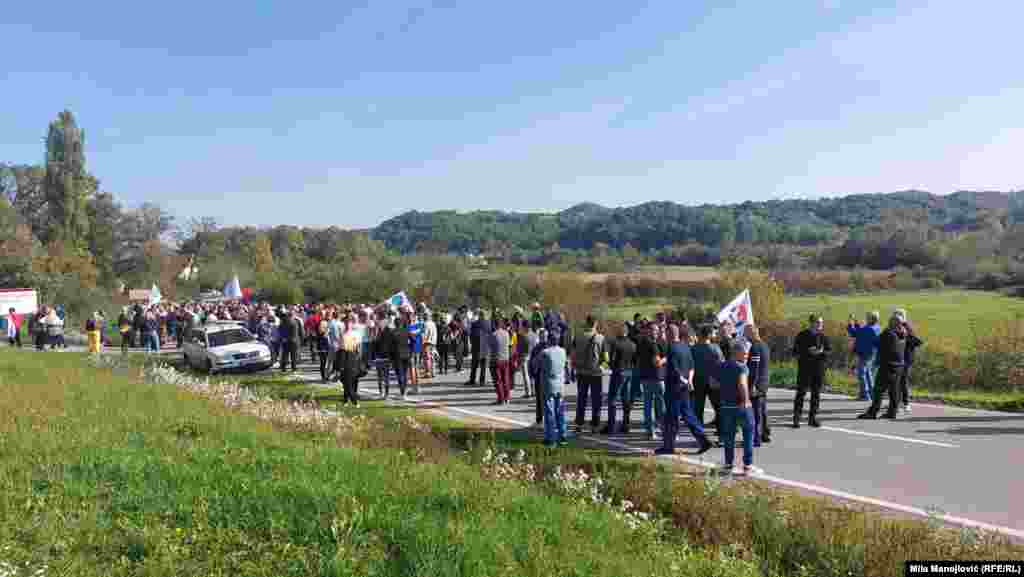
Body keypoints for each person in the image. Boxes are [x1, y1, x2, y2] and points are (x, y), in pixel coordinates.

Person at [657, 324, 712, 455]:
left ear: (670, 334)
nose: (664, 335)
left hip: (674, 387)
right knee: (688, 415)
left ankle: (668, 446)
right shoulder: (685, 347)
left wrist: (684, 380)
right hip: (685, 388)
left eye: (665, 332)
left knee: (671, 417)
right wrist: (690, 381)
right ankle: (703, 439)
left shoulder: (672, 348)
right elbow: (692, 367)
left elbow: (675, 370)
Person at [717, 339, 762, 476]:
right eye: (744, 353)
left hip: (726, 406)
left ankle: (728, 465)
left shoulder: (722, 366)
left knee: (729, 436)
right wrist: (746, 400)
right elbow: (742, 384)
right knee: (749, 433)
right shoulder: (742, 367)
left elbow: (713, 383)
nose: (746, 356)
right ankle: (747, 466)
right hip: (741, 405)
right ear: (736, 352)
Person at [858, 314, 907, 420]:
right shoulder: (903, 334)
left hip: (887, 365)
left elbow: (876, 342)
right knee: (894, 390)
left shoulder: (888, 333)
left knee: (878, 390)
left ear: (892, 323)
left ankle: (873, 412)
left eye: (890, 321)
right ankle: (892, 412)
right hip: (899, 366)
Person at [792, 315, 831, 428]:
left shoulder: (823, 336)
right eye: (818, 322)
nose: (821, 325)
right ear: (812, 323)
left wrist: (822, 352)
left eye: (821, 322)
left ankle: (813, 417)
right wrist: (807, 351)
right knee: (801, 393)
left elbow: (829, 351)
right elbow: (795, 352)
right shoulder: (802, 335)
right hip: (805, 369)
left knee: (816, 394)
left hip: (818, 369)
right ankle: (796, 418)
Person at [572, 315, 608, 434]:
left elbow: (572, 354)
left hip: (581, 372)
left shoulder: (578, 336)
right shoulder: (600, 338)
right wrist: (602, 367)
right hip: (595, 373)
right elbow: (606, 358)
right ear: (596, 323)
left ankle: (578, 424)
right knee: (596, 400)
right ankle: (594, 425)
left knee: (581, 399)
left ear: (586, 323)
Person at [635, 321, 667, 441]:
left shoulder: (641, 342)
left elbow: (637, 358)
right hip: (656, 377)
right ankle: (662, 429)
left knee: (648, 405)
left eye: (657, 330)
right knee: (660, 405)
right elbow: (657, 362)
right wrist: (666, 358)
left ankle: (650, 430)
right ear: (648, 330)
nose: (656, 332)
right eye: (654, 330)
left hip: (645, 377)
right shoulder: (652, 344)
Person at [603, 321, 636, 435]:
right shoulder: (632, 344)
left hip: (619, 372)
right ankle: (626, 425)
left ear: (621, 331)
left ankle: (611, 426)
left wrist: (612, 366)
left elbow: (611, 359)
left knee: (613, 399)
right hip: (629, 372)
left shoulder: (616, 343)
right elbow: (635, 361)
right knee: (625, 400)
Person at [692, 325, 724, 437]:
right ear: (709, 335)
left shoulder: (694, 349)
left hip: (698, 381)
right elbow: (721, 365)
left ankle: (700, 435)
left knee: (698, 409)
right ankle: (721, 434)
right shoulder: (715, 348)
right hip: (713, 382)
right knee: (718, 408)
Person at [540, 332, 569, 448]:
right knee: (560, 411)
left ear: (549, 340)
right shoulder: (563, 351)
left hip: (549, 384)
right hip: (560, 384)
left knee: (549, 412)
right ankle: (562, 435)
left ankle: (550, 438)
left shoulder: (545, 352)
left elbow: (538, 365)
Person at [745, 324, 771, 446]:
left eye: (746, 333)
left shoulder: (755, 347)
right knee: (763, 410)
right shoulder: (765, 345)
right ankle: (765, 433)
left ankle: (756, 438)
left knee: (756, 412)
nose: (745, 336)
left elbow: (754, 369)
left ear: (752, 333)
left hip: (757, 384)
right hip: (764, 382)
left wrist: (751, 386)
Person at [848, 311, 881, 401]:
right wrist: (856, 322)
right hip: (872, 354)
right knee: (868, 374)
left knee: (861, 374)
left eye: (867, 317)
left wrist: (851, 322)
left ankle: (864, 395)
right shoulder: (876, 328)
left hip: (864, 354)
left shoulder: (868, 329)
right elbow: (861, 331)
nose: (866, 318)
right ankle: (872, 394)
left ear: (871, 319)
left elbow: (854, 332)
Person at [895, 310, 923, 414]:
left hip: (906, 358)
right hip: (898, 358)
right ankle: (897, 402)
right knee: (897, 381)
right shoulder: (894, 328)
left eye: (898, 316)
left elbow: (916, 341)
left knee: (902, 381)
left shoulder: (907, 327)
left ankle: (906, 403)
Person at [336, 314, 362, 407]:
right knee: (345, 380)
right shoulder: (342, 334)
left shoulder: (356, 334)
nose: (347, 324)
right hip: (344, 357)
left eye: (349, 323)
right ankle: (348, 400)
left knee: (351, 380)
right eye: (346, 323)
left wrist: (359, 359)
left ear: (352, 324)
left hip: (353, 357)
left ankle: (350, 399)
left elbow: (358, 348)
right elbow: (340, 348)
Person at [391, 316, 413, 400]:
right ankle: (404, 392)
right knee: (404, 373)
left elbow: (391, 346)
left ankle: (402, 392)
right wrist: (410, 351)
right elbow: (413, 341)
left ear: (395, 324)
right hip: (406, 354)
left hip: (397, 355)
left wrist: (391, 356)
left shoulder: (393, 332)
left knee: (400, 375)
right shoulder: (406, 331)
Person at [467, 310, 491, 386]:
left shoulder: (474, 324)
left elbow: (471, 335)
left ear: (479, 315)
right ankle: (482, 381)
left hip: (476, 346)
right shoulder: (488, 324)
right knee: (483, 364)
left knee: (474, 364)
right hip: (484, 347)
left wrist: (471, 344)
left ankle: (472, 380)